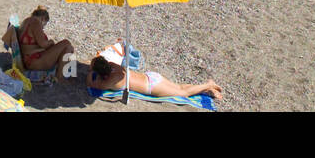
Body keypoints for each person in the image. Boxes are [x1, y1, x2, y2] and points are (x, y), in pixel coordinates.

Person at [87, 55, 223, 101]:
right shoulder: (114, 66)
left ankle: (207, 84)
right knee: (178, 87)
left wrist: (91, 72)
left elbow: (92, 85)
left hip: (151, 87)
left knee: (182, 93)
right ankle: (207, 90)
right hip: (151, 76)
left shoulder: (111, 81)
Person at [13, 7, 76, 81]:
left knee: (69, 48)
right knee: (66, 43)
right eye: (44, 25)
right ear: (43, 19)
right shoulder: (35, 22)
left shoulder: (26, 21)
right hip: (34, 61)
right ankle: (60, 77)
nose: (42, 28)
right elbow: (43, 44)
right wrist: (51, 42)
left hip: (29, 60)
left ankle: (65, 74)